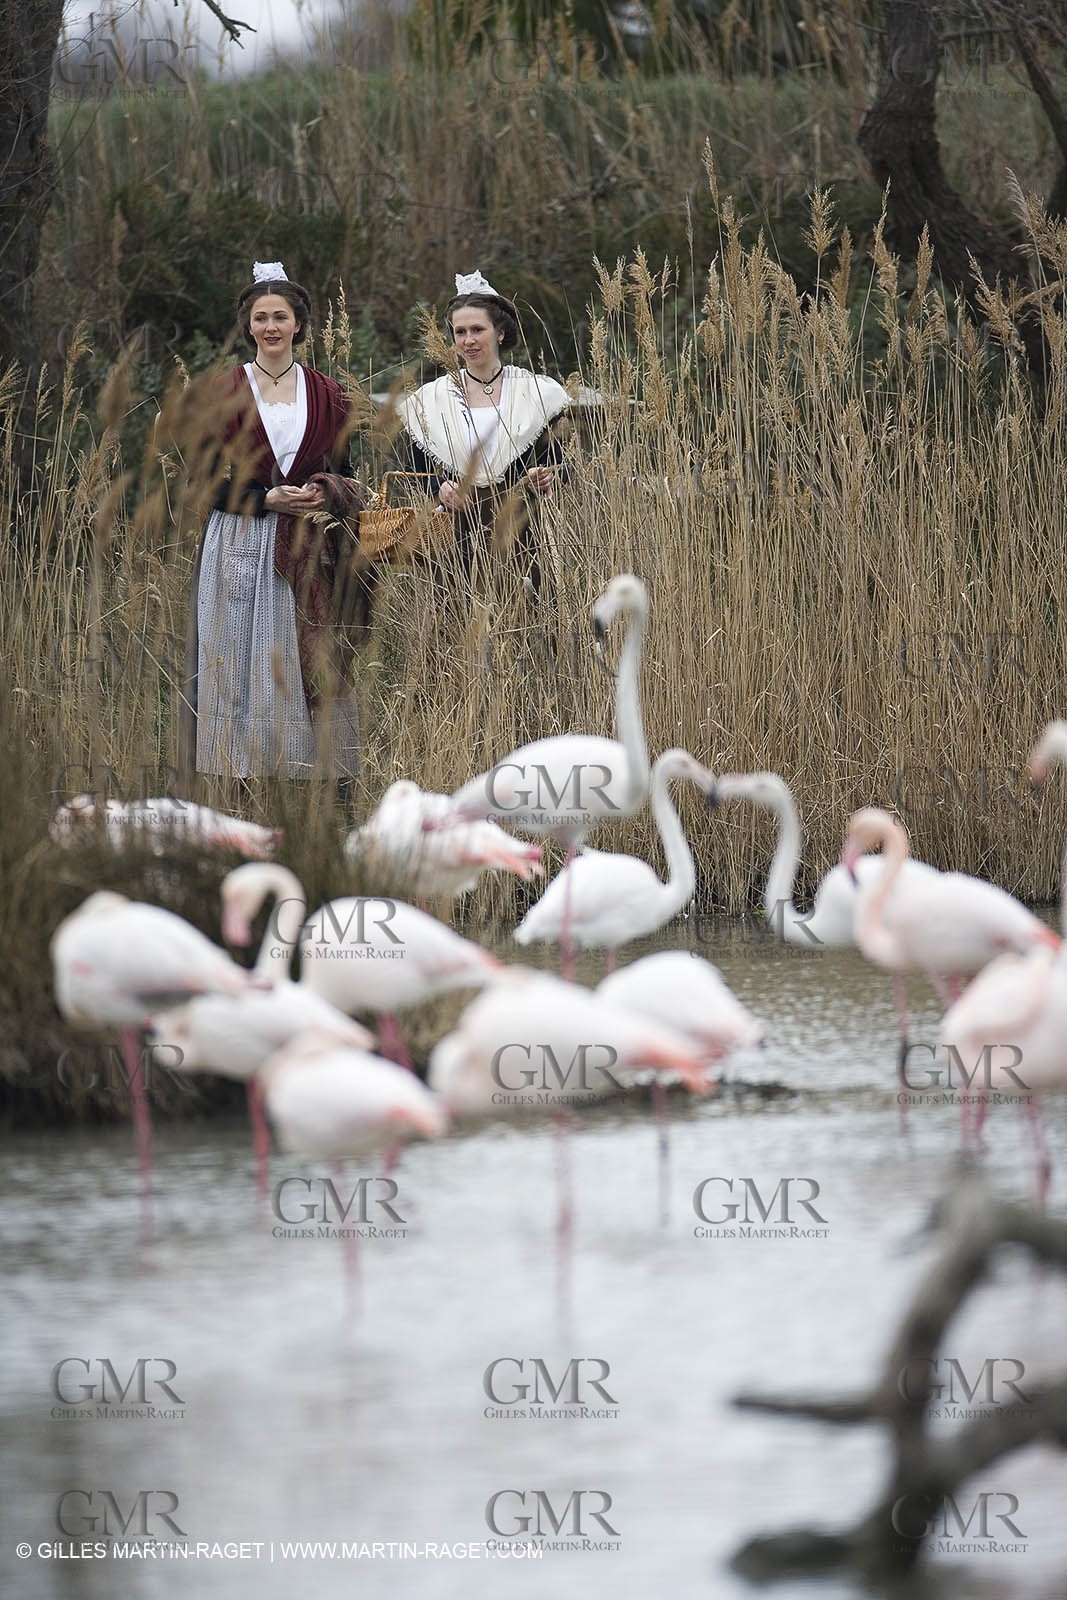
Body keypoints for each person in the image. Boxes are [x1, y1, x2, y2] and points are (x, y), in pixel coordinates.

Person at [177, 261, 371, 786]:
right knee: (243, 654)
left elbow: (347, 472)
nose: (270, 327)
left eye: (280, 316)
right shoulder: (219, 392)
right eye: (260, 317)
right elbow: (199, 483)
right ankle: (241, 772)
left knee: (306, 650)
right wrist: (265, 500)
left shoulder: (329, 393)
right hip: (241, 538)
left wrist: (322, 492)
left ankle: (311, 772)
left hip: (310, 542)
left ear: (299, 324)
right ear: (248, 326)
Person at [396, 270, 570, 596]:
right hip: (457, 529)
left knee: (523, 614)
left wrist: (543, 475)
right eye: (460, 332)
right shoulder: (433, 398)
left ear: (500, 333)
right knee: (458, 621)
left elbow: (563, 465)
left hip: (521, 526)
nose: (468, 340)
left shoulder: (535, 391)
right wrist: (439, 488)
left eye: (478, 330)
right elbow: (416, 469)